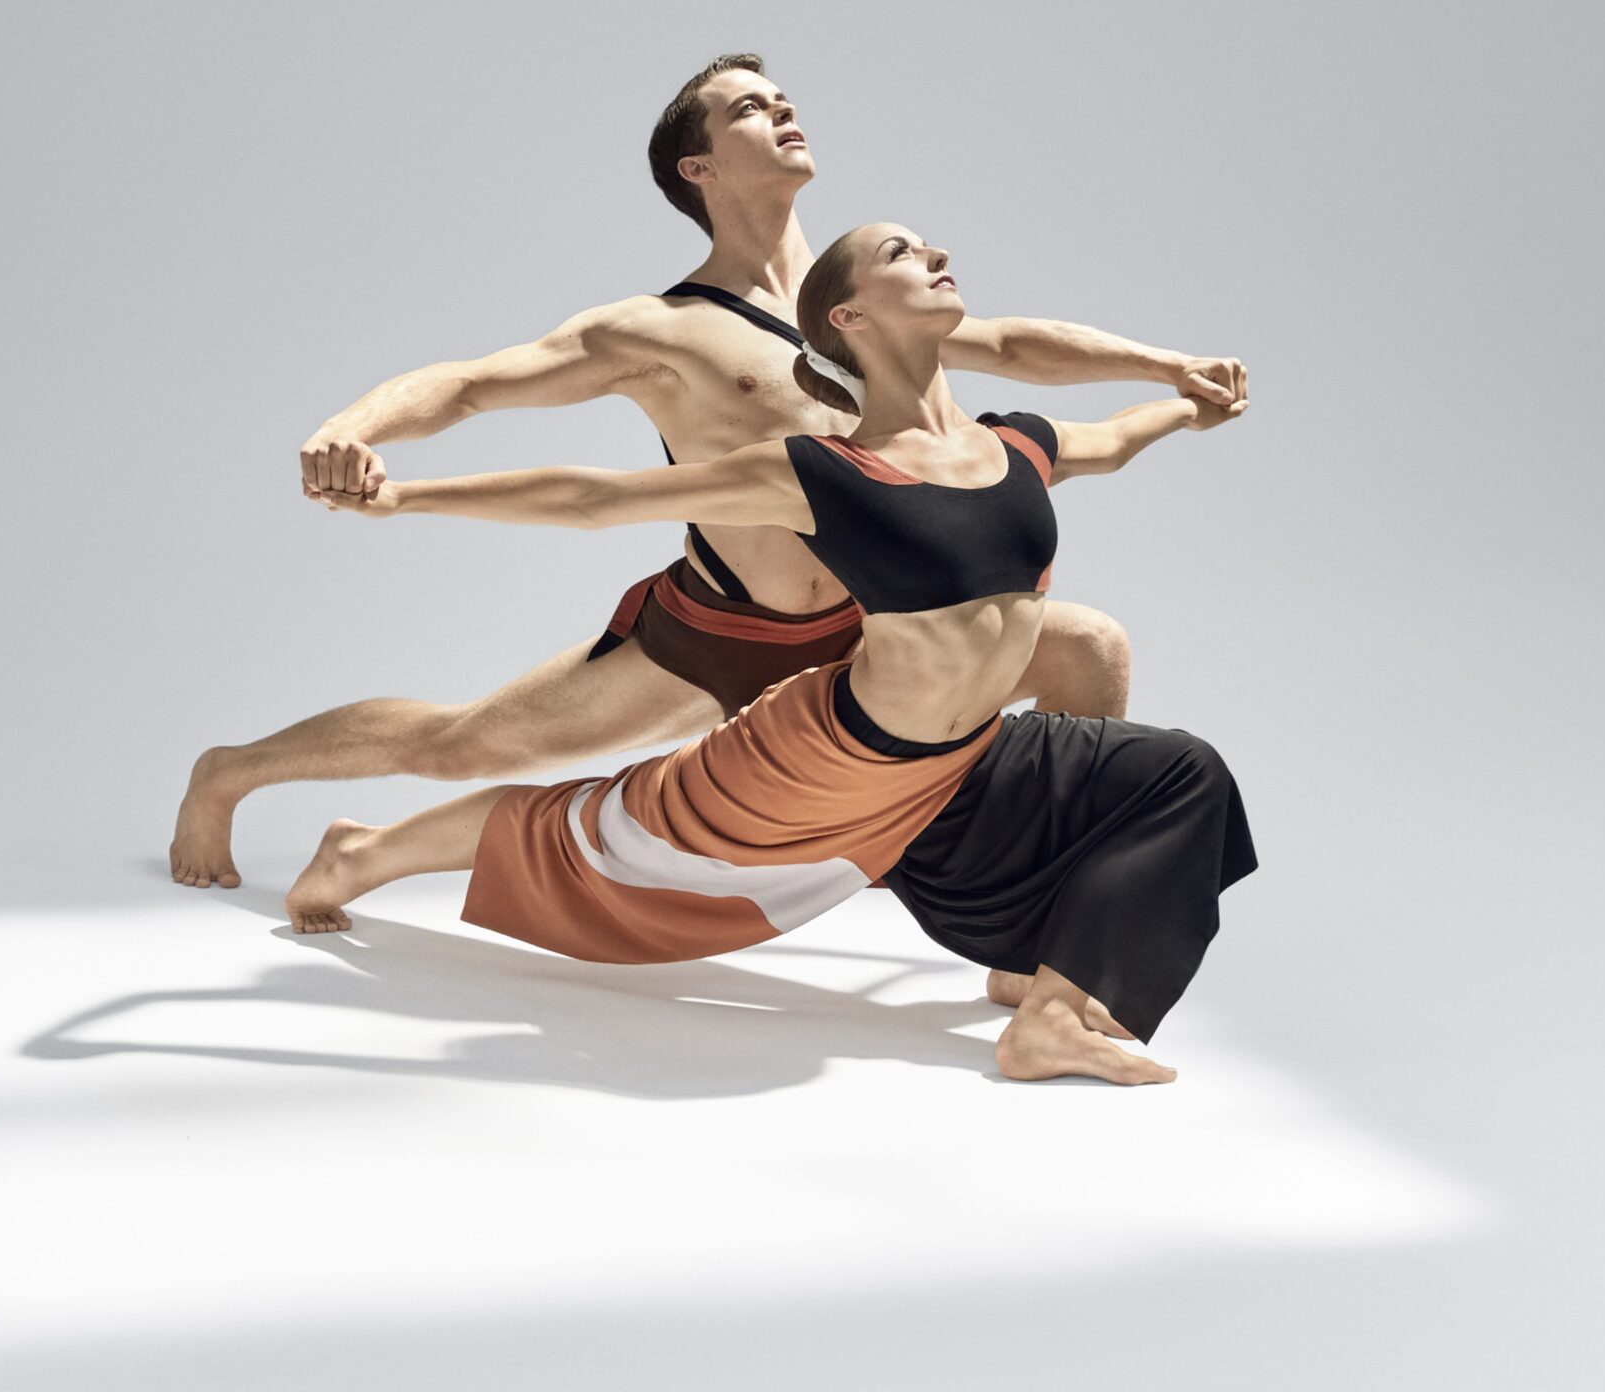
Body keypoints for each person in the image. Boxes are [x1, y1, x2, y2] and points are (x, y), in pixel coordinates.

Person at [169, 53, 1247, 889]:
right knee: (463, 746)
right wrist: (350, 431)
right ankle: (234, 771)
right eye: (747, 108)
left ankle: (1037, 891)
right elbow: (471, 385)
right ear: (698, 168)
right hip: (722, 637)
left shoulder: (859, 301)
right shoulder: (660, 329)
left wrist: (1164, 366)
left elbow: (1013, 347)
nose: (784, 112)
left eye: (784, 98)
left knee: (1086, 650)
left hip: (880, 637)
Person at [284, 222, 1256, 1086]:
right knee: (602, 834)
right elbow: (595, 498)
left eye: (930, 248)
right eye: (902, 255)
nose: (938, 258)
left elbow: (1119, 437)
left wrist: (1186, 401)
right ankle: (362, 853)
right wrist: (403, 496)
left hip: (959, 765)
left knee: (1183, 779)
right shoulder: (825, 473)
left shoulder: (1019, 444)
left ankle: (1046, 1011)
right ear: (849, 319)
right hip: (825, 761)